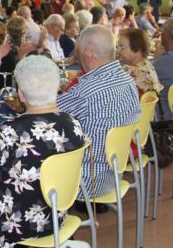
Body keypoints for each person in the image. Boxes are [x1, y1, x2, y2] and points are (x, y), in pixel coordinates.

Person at [0, 55, 86, 248]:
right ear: (57, 87)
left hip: (17, 226)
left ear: (20, 94)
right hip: (55, 214)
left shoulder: (10, 131)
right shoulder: (73, 123)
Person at [57, 25, 140, 198]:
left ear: (87, 53)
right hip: (115, 172)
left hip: (87, 180)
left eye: (78, 50)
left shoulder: (87, 90)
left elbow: (47, 118)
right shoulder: (128, 80)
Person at [118, 28, 163, 95]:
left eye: (122, 47)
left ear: (137, 49)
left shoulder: (128, 71)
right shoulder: (147, 64)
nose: (117, 50)